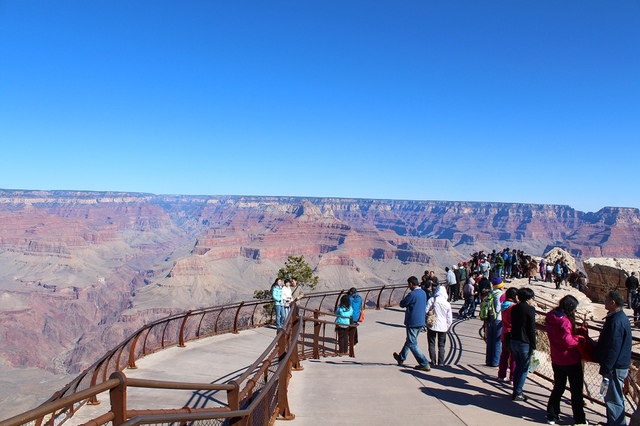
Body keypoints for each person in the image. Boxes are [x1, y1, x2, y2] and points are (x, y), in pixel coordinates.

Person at [545, 295, 587, 425]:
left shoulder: (551, 315)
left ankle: (552, 414)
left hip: (556, 357)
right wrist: (579, 339)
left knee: (558, 386)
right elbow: (567, 340)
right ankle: (579, 419)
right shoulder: (564, 321)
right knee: (576, 390)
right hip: (570, 359)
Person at [594, 291, 632, 426]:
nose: (604, 301)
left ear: (613, 302)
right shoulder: (617, 317)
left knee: (613, 399)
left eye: (606, 299)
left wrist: (606, 367)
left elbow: (613, 347)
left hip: (615, 366)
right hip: (616, 365)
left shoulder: (617, 321)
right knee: (613, 398)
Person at [393, 276, 431, 371]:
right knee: (410, 341)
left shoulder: (412, 294)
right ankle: (401, 358)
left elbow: (402, 304)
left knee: (413, 343)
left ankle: (424, 363)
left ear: (411, 284)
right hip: (421, 321)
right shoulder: (423, 293)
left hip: (412, 322)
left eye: (408, 284)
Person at [510, 287, 536, 402]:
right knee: (524, 368)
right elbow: (531, 328)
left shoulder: (514, 308)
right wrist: (533, 344)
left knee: (518, 366)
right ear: (528, 298)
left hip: (514, 339)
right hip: (524, 341)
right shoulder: (530, 309)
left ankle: (516, 390)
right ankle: (518, 392)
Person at [425, 285, 453, 366]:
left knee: (431, 343)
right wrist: (447, 327)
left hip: (432, 325)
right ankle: (441, 362)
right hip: (443, 327)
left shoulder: (432, 300)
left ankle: (433, 361)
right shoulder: (447, 304)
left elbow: (426, 310)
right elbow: (449, 318)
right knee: (441, 345)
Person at [498, 287, 517, 383]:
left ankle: (501, 375)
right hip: (512, 331)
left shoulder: (503, 305)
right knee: (513, 356)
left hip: (504, 331)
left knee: (504, 355)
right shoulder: (513, 307)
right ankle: (512, 377)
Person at [485, 277, 504, 367]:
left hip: (489, 318)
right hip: (498, 319)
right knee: (497, 341)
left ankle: (488, 360)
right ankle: (495, 361)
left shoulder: (490, 293)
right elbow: (497, 308)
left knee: (490, 340)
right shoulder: (499, 294)